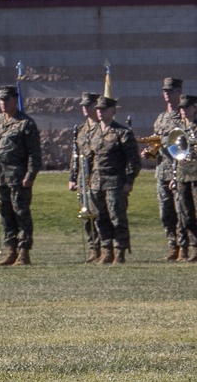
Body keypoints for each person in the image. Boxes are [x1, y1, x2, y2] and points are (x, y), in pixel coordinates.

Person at [84, 94, 141, 264]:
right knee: (100, 217)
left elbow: (133, 160)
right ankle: (106, 249)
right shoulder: (93, 133)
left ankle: (120, 250)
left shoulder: (122, 133)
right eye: (98, 109)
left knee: (117, 216)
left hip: (115, 182)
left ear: (113, 111)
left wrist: (129, 181)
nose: (99, 112)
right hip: (96, 182)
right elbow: (89, 158)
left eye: (103, 109)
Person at [0, 87, 41, 266]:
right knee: (5, 215)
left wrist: (30, 175)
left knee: (21, 213)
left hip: (19, 177)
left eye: (6, 99)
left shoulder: (26, 123)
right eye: (1, 100)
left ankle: (24, 252)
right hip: (0, 177)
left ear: (15, 100)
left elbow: (34, 153)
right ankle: (11, 250)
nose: (3, 103)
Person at [145, 77, 185, 260]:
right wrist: (149, 152)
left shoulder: (184, 117)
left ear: (179, 92)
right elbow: (156, 143)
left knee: (181, 210)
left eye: (170, 90)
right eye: (164, 91)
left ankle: (184, 246)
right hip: (163, 170)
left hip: (180, 170)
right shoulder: (161, 118)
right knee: (165, 212)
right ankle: (172, 246)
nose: (166, 94)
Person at [67, 94, 100, 263]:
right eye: (83, 105)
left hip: (100, 178)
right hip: (83, 179)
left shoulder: (103, 128)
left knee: (101, 214)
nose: (85, 108)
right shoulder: (81, 130)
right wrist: (72, 177)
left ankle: (107, 248)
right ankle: (94, 249)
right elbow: (76, 156)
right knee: (87, 215)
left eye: (89, 104)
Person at [172, 95, 197, 262]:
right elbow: (175, 154)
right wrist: (174, 176)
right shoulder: (179, 128)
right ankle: (194, 246)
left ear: (194, 107)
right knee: (186, 214)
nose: (183, 110)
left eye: (186, 107)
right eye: (181, 108)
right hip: (182, 175)